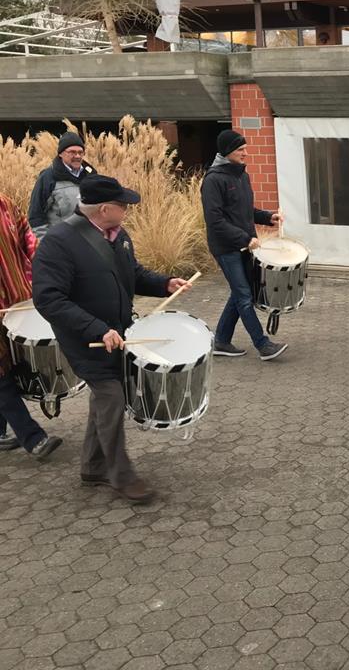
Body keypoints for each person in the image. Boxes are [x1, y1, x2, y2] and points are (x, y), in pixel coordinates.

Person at [32, 174, 192, 503]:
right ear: (104, 209)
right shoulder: (59, 242)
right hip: (85, 338)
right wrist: (96, 329)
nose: (128, 210)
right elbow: (48, 299)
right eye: (123, 205)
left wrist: (164, 284)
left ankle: (93, 466)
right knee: (112, 396)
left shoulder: (118, 234)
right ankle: (121, 475)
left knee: (105, 399)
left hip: (119, 332)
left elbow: (131, 274)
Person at [201, 129, 287, 361]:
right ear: (227, 151)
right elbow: (215, 221)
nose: (245, 153)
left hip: (245, 245)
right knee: (243, 295)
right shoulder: (213, 180)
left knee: (240, 293)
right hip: (226, 247)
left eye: (245, 148)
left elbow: (245, 211)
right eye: (240, 149)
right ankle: (263, 344)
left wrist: (268, 217)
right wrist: (245, 238)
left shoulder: (241, 175)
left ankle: (221, 341)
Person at [0, 193, 63, 459]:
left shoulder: (4, 203)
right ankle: (33, 438)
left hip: (18, 303)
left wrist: (44, 269)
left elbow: (28, 237)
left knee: (11, 366)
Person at [28, 131, 96, 238]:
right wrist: (48, 243)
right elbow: (36, 216)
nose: (77, 156)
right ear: (60, 154)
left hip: (88, 241)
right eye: (72, 152)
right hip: (60, 242)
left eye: (80, 152)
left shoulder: (92, 175)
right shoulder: (48, 178)